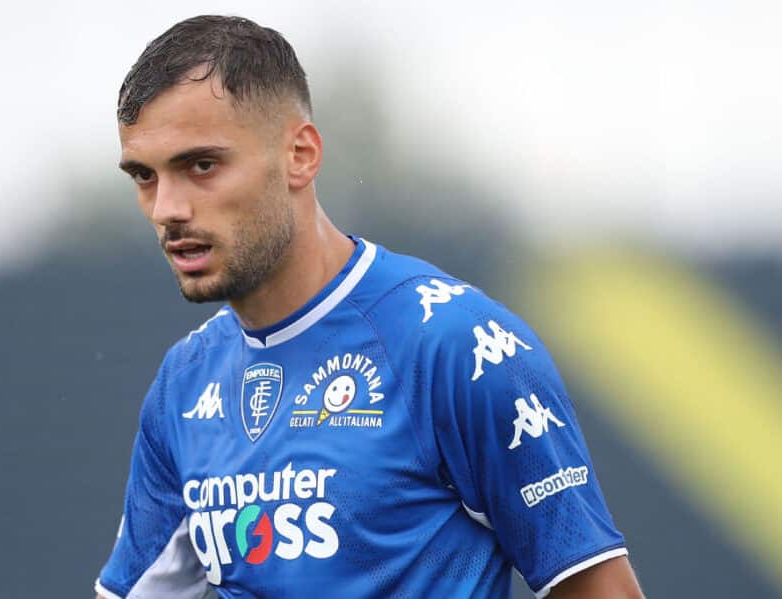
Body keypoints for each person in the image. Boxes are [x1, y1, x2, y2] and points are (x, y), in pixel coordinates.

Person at [95, 15, 645, 599]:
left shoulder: (455, 345)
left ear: (300, 156)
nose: (167, 209)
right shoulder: (183, 384)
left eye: (200, 166)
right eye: (144, 177)